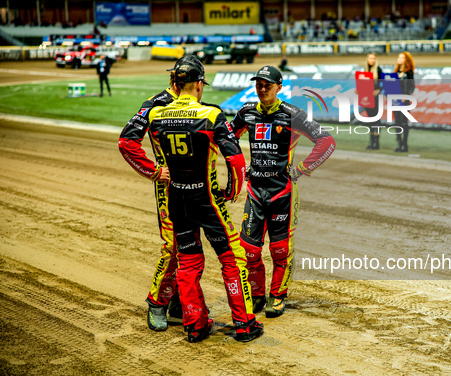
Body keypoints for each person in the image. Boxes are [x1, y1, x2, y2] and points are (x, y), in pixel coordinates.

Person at [127, 55, 263, 343]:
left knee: (187, 261)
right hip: (207, 199)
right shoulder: (211, 114)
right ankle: (244, 323)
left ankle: (195, 324)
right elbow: (237, 161)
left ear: (175, 82)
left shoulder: (155, 113)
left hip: (175, 198)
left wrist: (154, 171)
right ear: (199, 84)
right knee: (232, 258)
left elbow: (129, 141)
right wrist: (231, 191)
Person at [230, 65, 336, 318]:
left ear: (279, 87)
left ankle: (277, 296)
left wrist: (301, 168)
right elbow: (227, 138)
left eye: (268, 84)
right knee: (250, 249)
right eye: (259, 83)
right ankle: (257, 295)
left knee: (280, 250)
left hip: (282, 193)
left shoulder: (292, 114)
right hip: (255, 192)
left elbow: (327, 140)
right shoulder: (246, 112)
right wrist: (238, 168)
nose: (262, 88)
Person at [119, 57, 190, 332]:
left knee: (189, 246)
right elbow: (126, 141)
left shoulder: (195, 105)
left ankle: (177, 300)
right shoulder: (156, 102)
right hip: (169, 186)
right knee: (172, 245)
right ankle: (156, 302)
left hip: (193, 186)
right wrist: (153, 171)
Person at [393, 51, 416, 153]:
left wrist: (406, 96)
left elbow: (412, 87)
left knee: (403, 122)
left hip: (404, 102)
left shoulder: (409, 72)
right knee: (397, 122)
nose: (400, 59)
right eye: (399, 57)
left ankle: (404, 145)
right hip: (395, 101)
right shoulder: (395, 73)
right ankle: (399, 143)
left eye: (402, 58)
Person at [362, 52, 383, 150]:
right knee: (370, 120)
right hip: (368, 99)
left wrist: (378, 90)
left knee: (376, 120)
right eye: (370, 58)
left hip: (376, 99)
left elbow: (383, 83)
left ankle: (376, 142)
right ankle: (371, 141)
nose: (372, 60)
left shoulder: (378, 70)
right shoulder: (365, 70)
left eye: (373, 58)